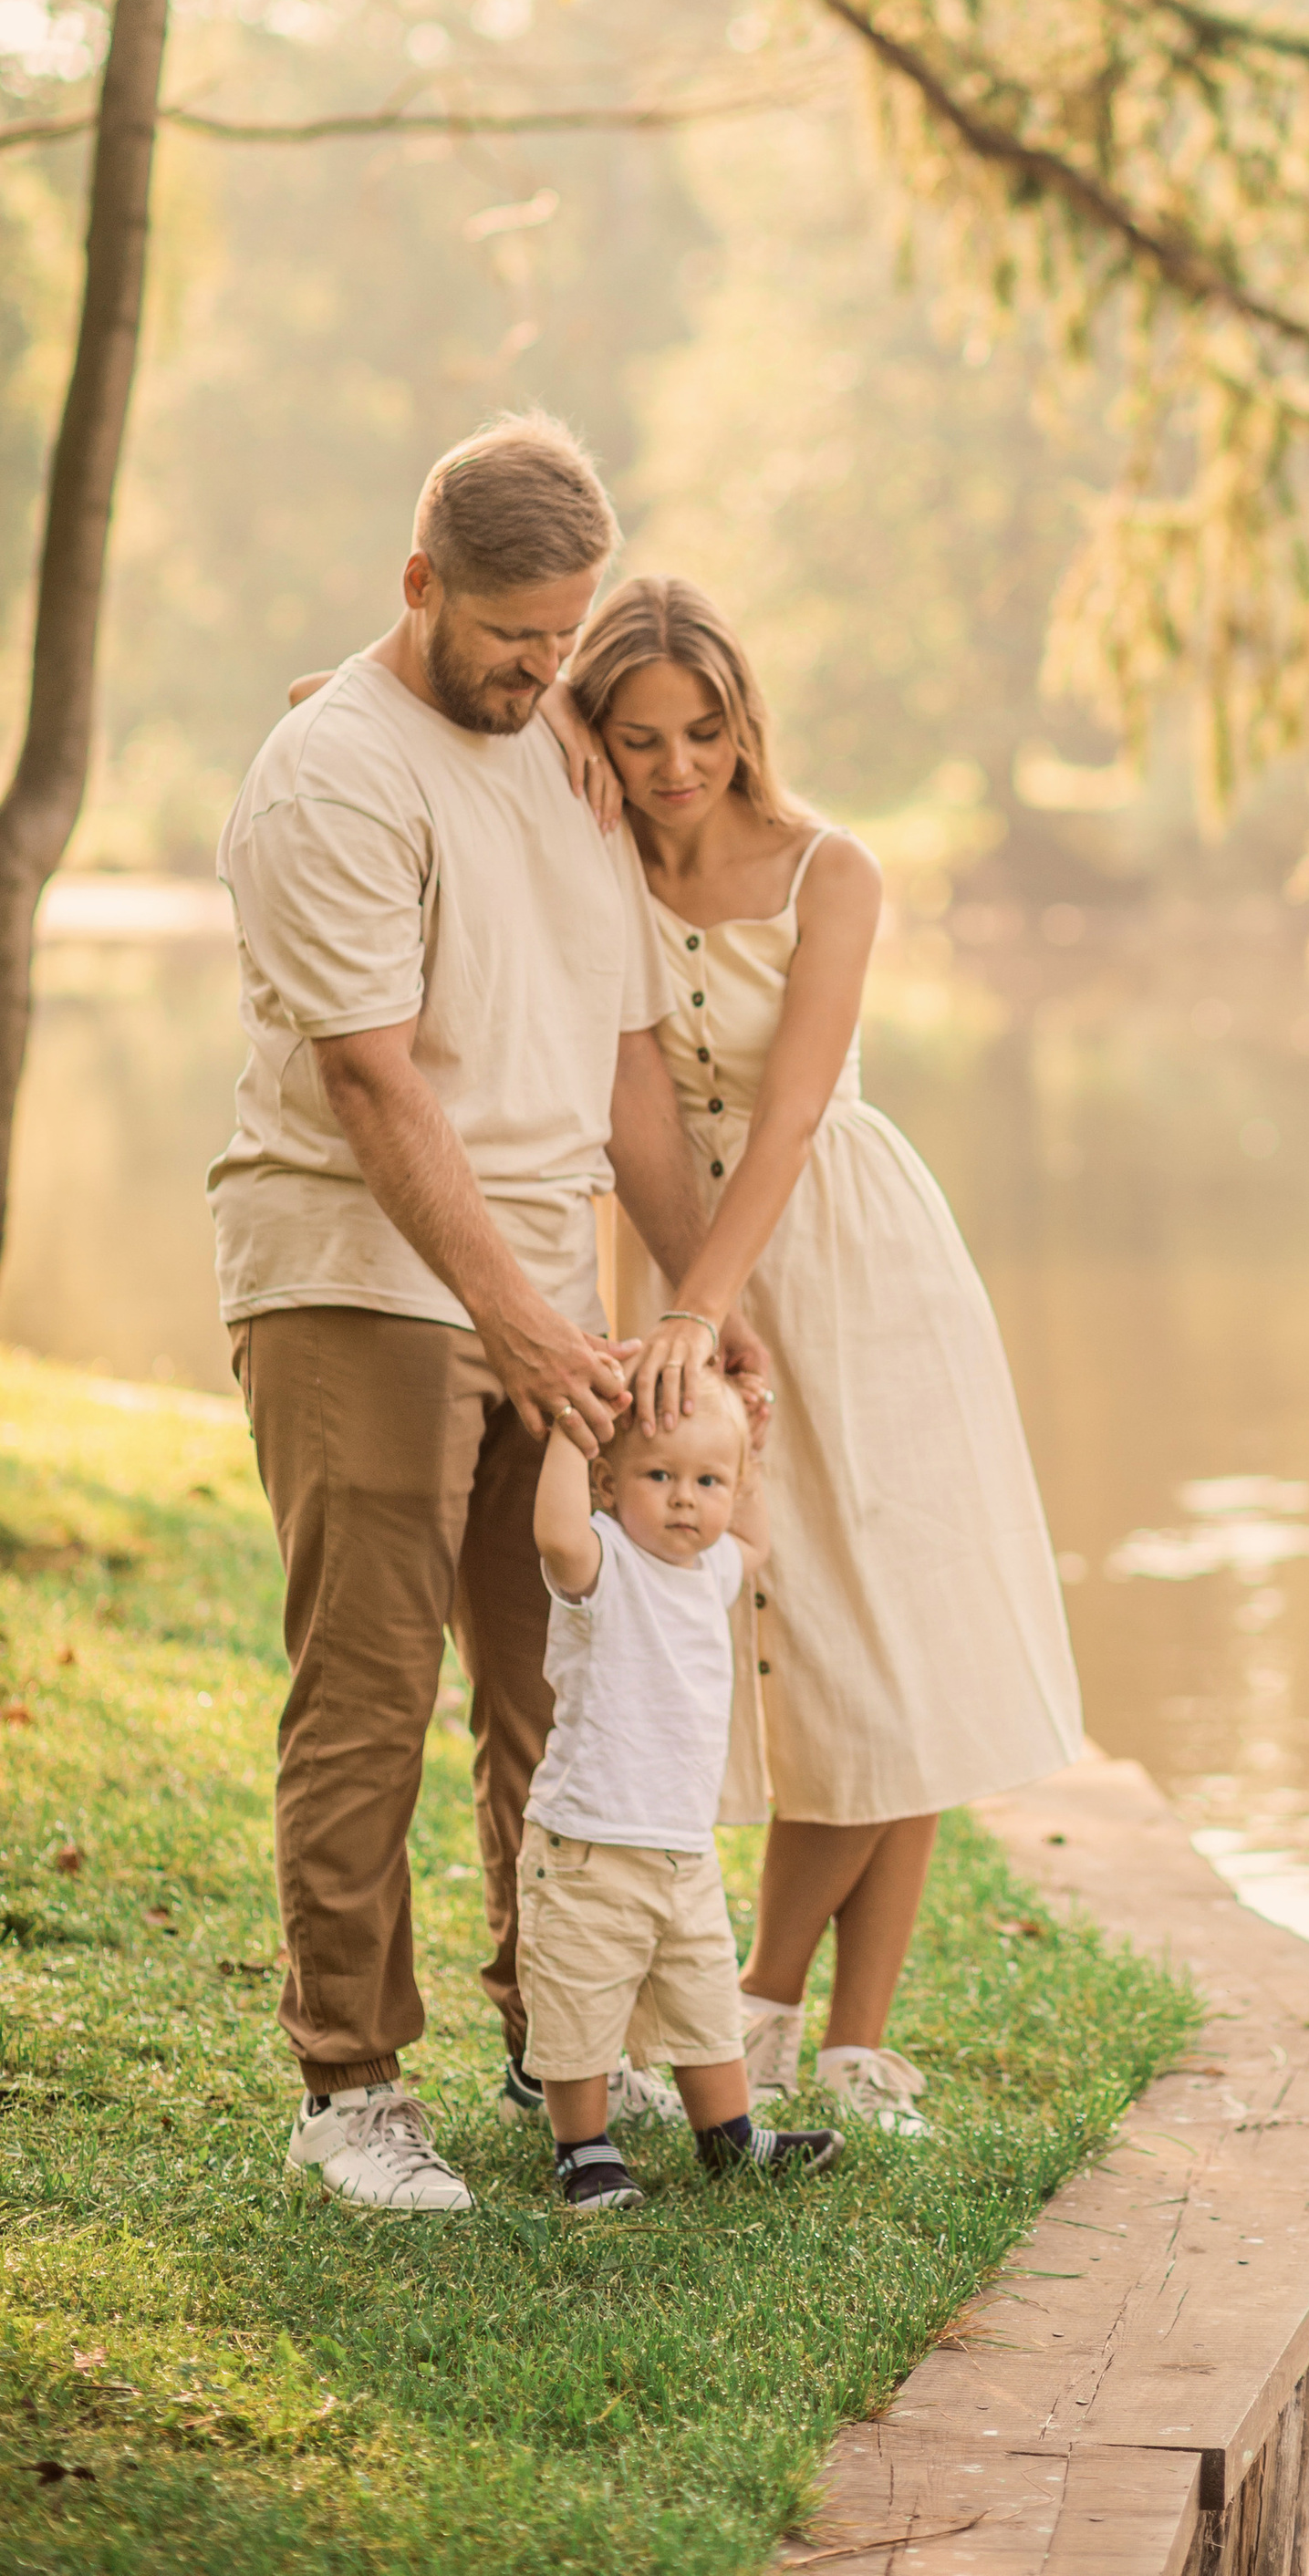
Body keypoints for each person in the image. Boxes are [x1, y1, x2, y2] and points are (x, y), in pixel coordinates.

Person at [211, 414, 771, 2216]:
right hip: (358, 1277)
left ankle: (566, 2045)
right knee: (370, 1686)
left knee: (560, 1686)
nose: (544, 669)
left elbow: (620, 1066)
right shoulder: (333, 774)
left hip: (546, 1290)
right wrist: (514, 1318)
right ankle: (351, 2086)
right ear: (417, 585)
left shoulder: (563, 758)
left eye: (564, 634)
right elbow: (372, 1081)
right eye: (512, 635)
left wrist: (692, 1295)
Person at [560, 576, 1084, 2136]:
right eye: (637, 737)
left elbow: (789, 1114)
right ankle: (767, 2017)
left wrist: (699, 1306)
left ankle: (826, 2032)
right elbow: (634, 1103)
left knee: (883, 1627)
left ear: (746, 723)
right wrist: (690, 1303)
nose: (676, 767)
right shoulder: (593, 867)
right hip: (684, 1259)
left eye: (703, 732)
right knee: (741, 1620)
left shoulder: (830, 869)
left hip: (852, 1265)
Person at [522, 1384, 843, 2213]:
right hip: (589, 1844)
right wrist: (571, 1432)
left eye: (708, 1482)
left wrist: (753, 1458)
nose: (684, 1499)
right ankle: (583, 2148)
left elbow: (756, 1541)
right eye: (659, 1475)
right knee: (580, 1999)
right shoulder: (602, 1561)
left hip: (684, 1850)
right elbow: (554, 1532)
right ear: (606, 1483)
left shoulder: (713, 1568)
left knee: (705, 1999)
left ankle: (729, 2135)